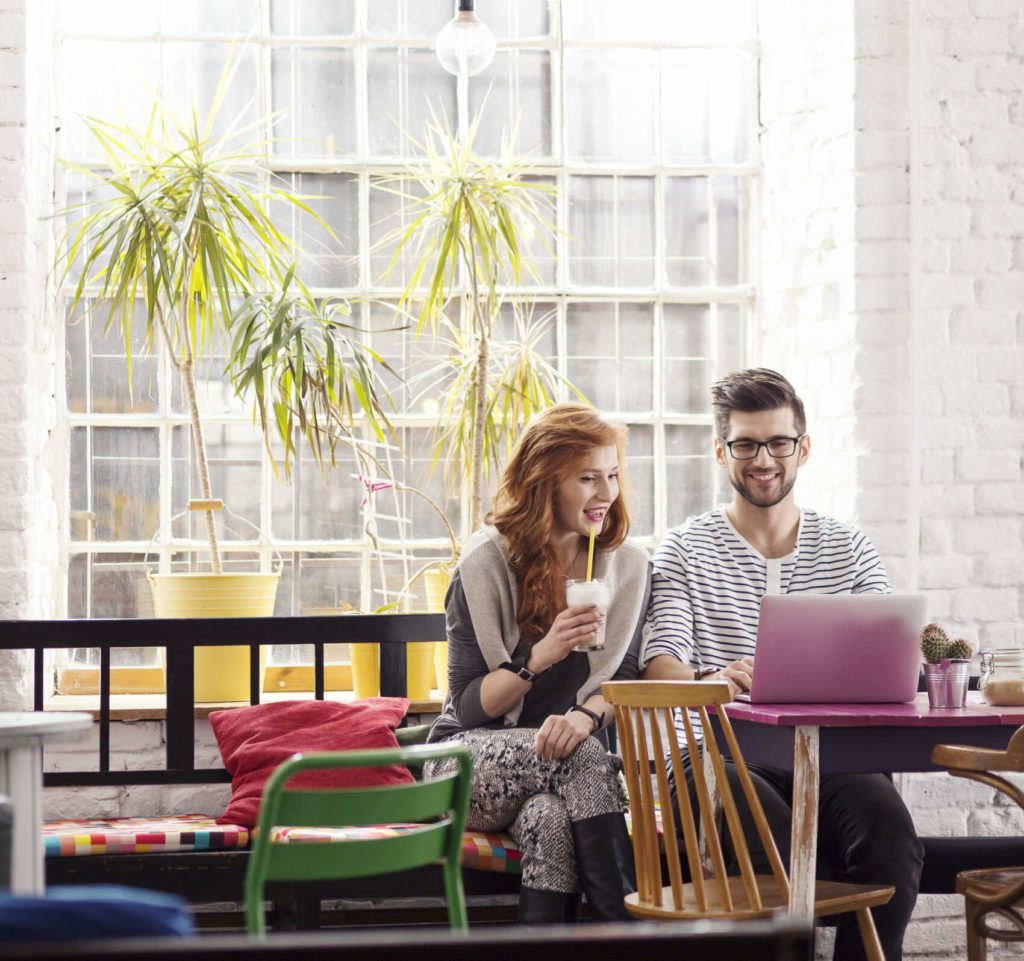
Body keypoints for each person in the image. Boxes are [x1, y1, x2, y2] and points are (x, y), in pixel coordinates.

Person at [641, 368, 924, 961]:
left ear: (804, 447)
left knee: (892, 840)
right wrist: (708, 679)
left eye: (778, 442)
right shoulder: (684, 549)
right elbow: (660, 669)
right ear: (721, 452)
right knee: (764, 839)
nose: (762, 458)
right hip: (712, 751)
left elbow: (899, 656)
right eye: (745, 444)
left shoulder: (847, 547)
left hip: (827, 756)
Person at [425, 403, 650, 923]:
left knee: (549, 822)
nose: (607, 493)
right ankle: (635, 937)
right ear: (544, 483)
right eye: (588, 478)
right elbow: (468, 706)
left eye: (613, 475)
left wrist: (585, 717)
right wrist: (539, 657)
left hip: (561, 771)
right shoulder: (487, 563)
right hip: (462, 764)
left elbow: (624, 678)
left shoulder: (628, 566)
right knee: (586, 758)